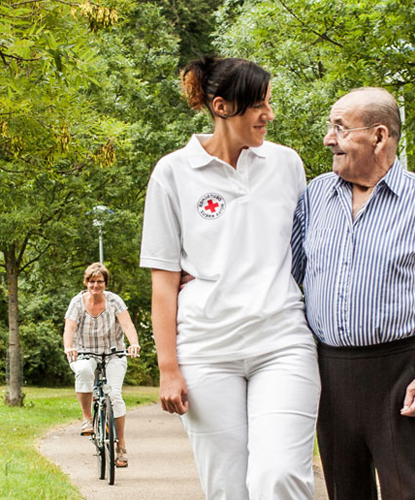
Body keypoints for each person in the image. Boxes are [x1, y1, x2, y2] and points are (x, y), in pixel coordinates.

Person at [140, 56, 320, 499]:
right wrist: (168, 369)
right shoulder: (173, 172)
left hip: (282, 342)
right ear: (221, 107)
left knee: (278, 475)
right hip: (206, 351)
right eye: (258, 105)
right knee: (228, 489)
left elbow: (310, 250)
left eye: (269, 103)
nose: (269, 115)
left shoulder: (287, 164)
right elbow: (163, 280)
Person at [291, 87, 415, 500]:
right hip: (330, 369)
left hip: (402, 370)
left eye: (340, 128)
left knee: (409, 492)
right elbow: (288, 279)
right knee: (345, 492)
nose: (329, 138)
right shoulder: (313, 197)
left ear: (379, 136)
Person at [62, 262, 141, 468]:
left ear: (105, 283)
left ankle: (121, 446)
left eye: (99, 281)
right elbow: (69, 329)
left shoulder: (115, 301)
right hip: (85, 353)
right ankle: (87, 418)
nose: (95, 285)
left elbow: (127, 325)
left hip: (113, 353)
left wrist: (134, 343)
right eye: (91, 281)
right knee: (84, 371)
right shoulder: (77, 303)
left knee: (114, 395)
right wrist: (69, 347)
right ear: (86, 282)